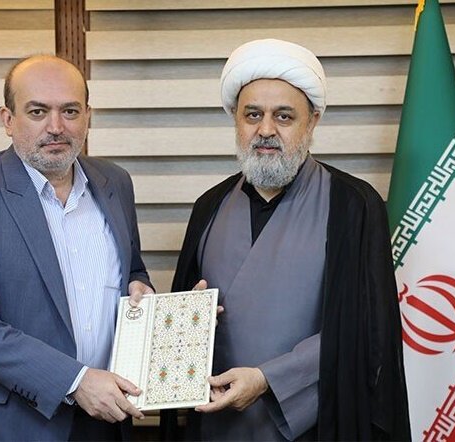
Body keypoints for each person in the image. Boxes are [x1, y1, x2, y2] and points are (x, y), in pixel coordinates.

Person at [164, 39, 410, 441]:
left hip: (317, 425)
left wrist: (268, 378)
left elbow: (366, 329)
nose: (266, 130)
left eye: (283, 116)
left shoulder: (353, 204)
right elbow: (181, 332)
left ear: (312, 121)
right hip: (217, 423)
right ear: (235, 120)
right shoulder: (209, 206)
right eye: (252, 115)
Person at [0, 55, 154, 441]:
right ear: (8, 120)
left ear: (88, 117)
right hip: (6, 425)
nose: (56, 127)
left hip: (105, 419)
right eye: (38, 111)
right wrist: (76, 381)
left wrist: (141, 289)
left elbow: (132, 269)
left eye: (70, 111)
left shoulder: (116, 182)